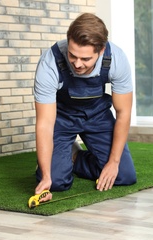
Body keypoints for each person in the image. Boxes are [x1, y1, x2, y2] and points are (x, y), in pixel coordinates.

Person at [33, 13, 137, 202]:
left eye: (86, 59)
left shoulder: (116, 59)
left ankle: (74, 156)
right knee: (56, 182)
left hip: (98, 115)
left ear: (101, 50)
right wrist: (47, 176)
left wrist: (114, 163)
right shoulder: (50, 62)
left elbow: (123, 113)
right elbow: (45, 123)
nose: (78, 64)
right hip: (62, 117)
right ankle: (58, 164)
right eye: (73, 55)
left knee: (123, 175)